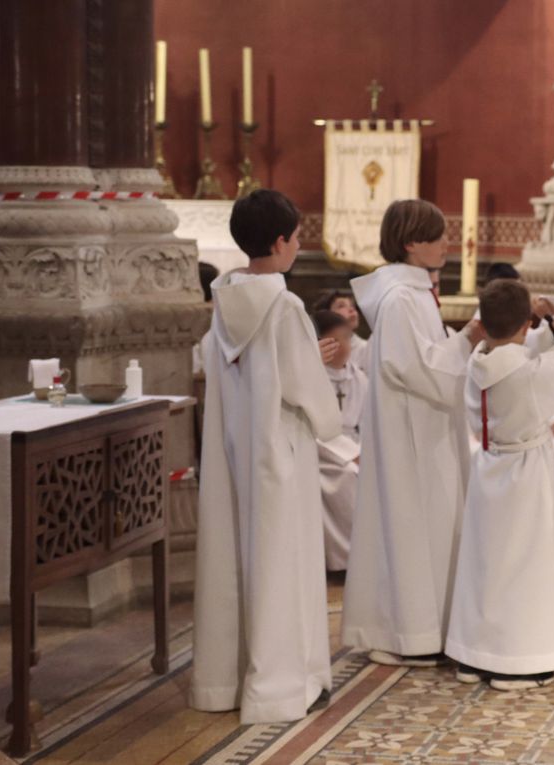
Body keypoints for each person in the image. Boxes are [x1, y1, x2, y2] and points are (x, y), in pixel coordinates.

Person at [190, 189, 341, 723]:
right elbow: (303, 389)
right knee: (280, 562)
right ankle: (280, 686)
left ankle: (224, 681)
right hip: (279, 452)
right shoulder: (284, 306)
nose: (299, 247)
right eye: (297, 238)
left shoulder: (224, 299)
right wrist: (330, 411)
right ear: (279, 242)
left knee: (234, 557)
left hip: (233, 447)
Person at [341, 199, 484, 666]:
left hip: (428, 430)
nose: (448, 242)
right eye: (439, 235)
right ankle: (406, 633)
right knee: (411, 525)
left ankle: (429, 627)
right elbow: (416, 368)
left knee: (431, 525)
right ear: (411, 243)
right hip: (411, 436)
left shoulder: (415, 292)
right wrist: (468, 337)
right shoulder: (401, 298)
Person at [446, 279, 554, 690]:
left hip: (488, 469)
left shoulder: (478, 360)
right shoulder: (528, 375)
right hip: (525, 475)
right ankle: (518, 661)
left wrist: (549, 326)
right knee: (524, 565)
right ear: (526, 323)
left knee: (486, 565)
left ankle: (474, 656)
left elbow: (522, 355)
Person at [313, 310, 367, 571]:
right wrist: (350, 454)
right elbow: (314, 429)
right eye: (335, 341)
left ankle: (370, 554)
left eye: (347, 338)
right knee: (346, 477)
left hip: (355, 445)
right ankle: (346, 559)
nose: (344, 346)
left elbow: (369, 423)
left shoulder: (359, 377)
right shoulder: (311, 376)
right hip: (322, 452)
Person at [315, 289, 369, 371]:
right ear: (325, 314)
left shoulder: (367, 348)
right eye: (341, 306)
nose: (352, 310)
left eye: (353, 306)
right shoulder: (314, 349)